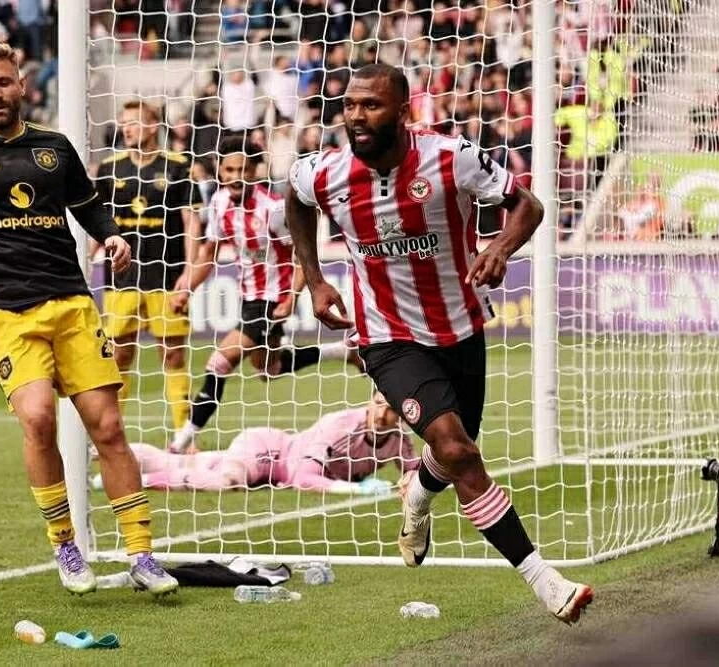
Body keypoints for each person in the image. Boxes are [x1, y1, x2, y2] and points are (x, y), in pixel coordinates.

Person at [285, 63, 594, 624]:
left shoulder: (452, 158)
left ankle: (418, 495)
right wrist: (314, 277)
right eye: (350, 105)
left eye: (371, 105)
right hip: (387, 336)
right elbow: (295, 198)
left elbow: (528, 205)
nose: (356, 116)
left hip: (460, 327)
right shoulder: (325, 172)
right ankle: (546, 582)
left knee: (453, 452)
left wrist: (500, 247)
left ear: (403, 112)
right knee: (458, 452)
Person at [0, 42, 177, 598]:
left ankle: (141, 555)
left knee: (108, 427)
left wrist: (110, 235)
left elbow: (87, 205)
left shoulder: (54, 147)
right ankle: (64, 544)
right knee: (38, 419)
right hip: (6, 309)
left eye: (4, 82)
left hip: (71, 302)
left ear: (22, 84)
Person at [166, 137, 359, 454]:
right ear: (219, 171)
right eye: (229, 170)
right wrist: (187, 288)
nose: (235, 176)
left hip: (272, 300)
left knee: (219, 363)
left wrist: (292, 297)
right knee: (269, 369)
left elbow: (302, 253)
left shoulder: (273, 208)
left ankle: (181, 442)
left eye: (242, 169)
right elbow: (209, 252)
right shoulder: (218, 204)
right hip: (248, 297)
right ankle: (342, 351)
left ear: (255, 170)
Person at [95, 99, 203, 430]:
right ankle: (112, 433)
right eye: (123, 123)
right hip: (121, 277)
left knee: (173, 354)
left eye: (133, 122)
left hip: (167, 275)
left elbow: (191, 221)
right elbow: (97, 221)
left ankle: (183, 434)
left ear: (153, 126)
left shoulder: (178, 166)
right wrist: (84, 259)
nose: (126, 129)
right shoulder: (109, 169)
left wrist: (189, 271)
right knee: (118, 355)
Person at [98, 393, 418, 493]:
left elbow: (413, 470)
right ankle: (136, 479)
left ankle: (117, 460)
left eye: (390, 409)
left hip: (268, 466)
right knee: (228, 482)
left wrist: (412, 481)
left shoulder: (399, 439)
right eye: (377, 403)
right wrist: (357, 489)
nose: (381, 414)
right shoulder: (341, 426)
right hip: (269, 452)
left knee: (185, 462)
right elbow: (302, 477)